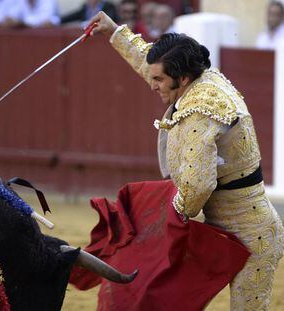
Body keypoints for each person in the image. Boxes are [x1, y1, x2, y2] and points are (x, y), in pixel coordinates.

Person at [84, 11, 284, 310]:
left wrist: (162, 222)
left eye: (160, 80)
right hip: (217, 230)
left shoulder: (200, 111)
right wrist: (115, 32)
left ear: (184, 78)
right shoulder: (201, 77)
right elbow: (152, 65)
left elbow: (196, 187)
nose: (153, 85)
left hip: (251, 237)